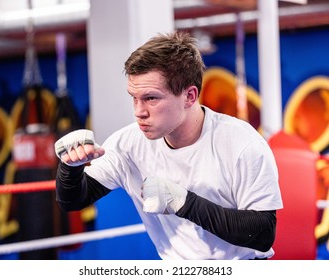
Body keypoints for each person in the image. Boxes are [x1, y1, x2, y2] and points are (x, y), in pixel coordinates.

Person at [54, 31, 283, 260]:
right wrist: (70, 167)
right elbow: (74, 200)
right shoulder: (128, 143)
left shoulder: (241, 143)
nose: (139, 112)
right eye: (134, 97)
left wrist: (184, 202)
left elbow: (263, 234)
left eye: (151, 98)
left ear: (189, 96)